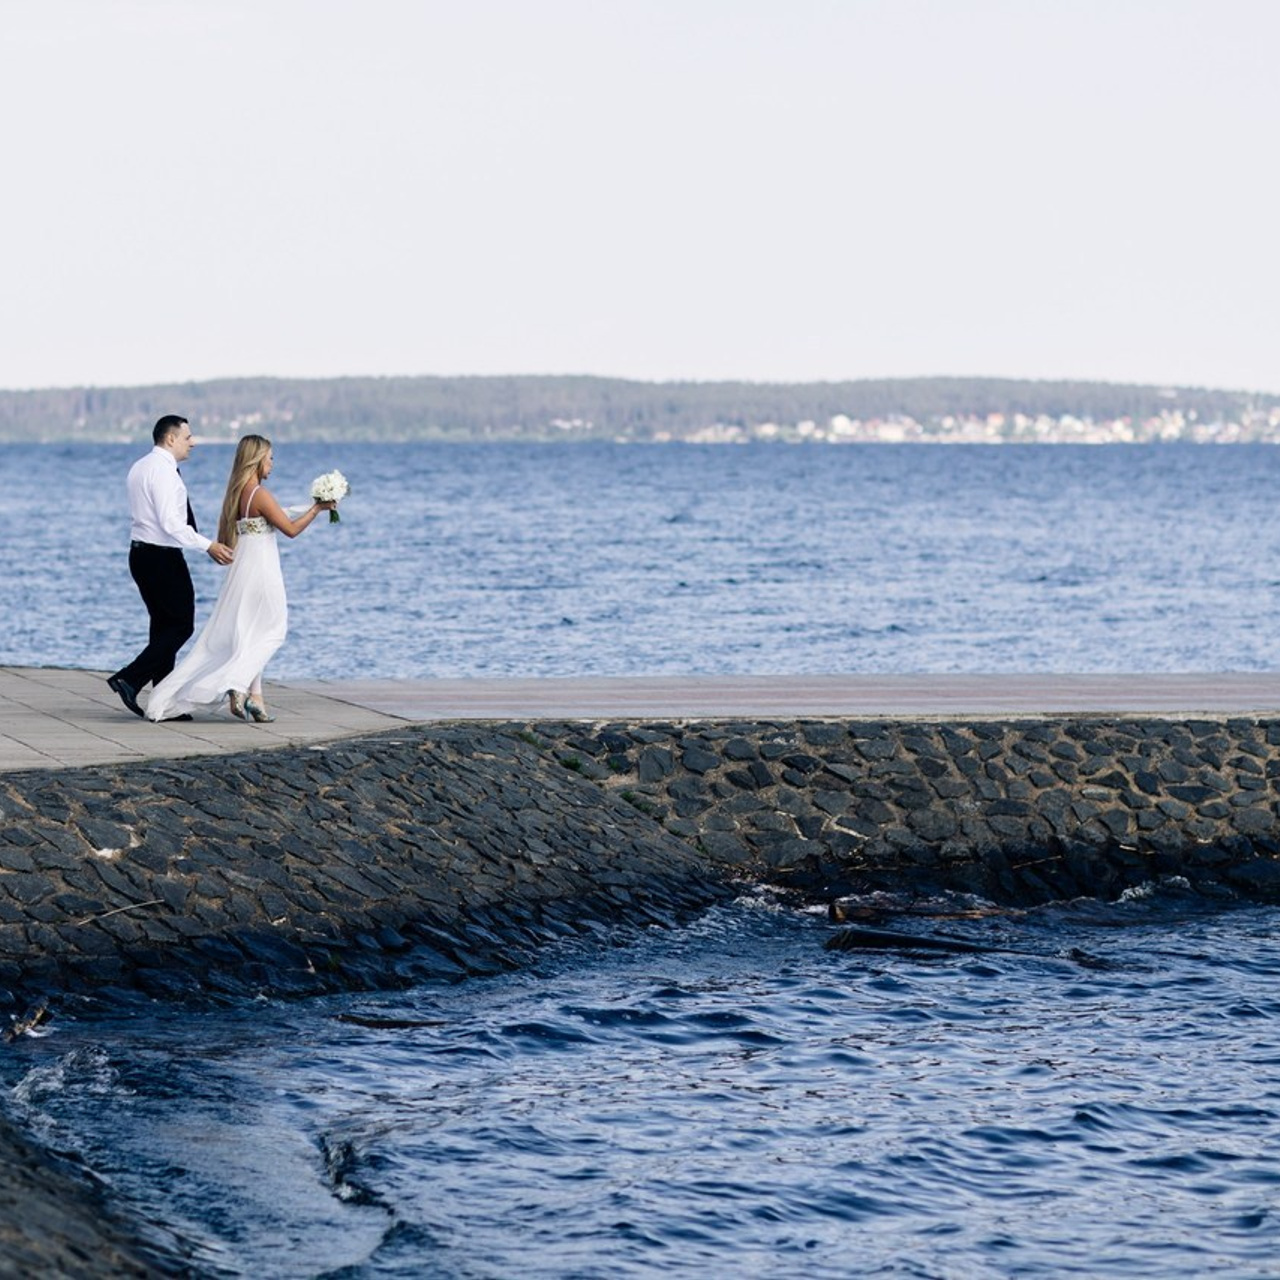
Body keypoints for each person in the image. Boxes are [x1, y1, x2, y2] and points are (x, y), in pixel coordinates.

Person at [144, 434, 335, 723]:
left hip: (244, 566)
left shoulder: (237, 493)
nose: (272, 464)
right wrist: (317, 509)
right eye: (270, 458)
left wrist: (308, 504)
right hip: (261, 567)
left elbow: (260, 522)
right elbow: (291, 530)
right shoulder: (259, 493)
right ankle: (236, 683)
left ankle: (254, 698)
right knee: (273, 629)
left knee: (250, 632)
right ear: (257, 460)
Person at [108, 415, 235, 719]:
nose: (193, 442)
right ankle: (129, 677)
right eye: (188, 437)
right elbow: (170, 523)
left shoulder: (140, 466)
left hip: (141, 554)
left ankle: (162, 703)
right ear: (170, 439)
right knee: (181, 625)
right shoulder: (163, 473)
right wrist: (208, 545)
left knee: (163, 626)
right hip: (161, 556)